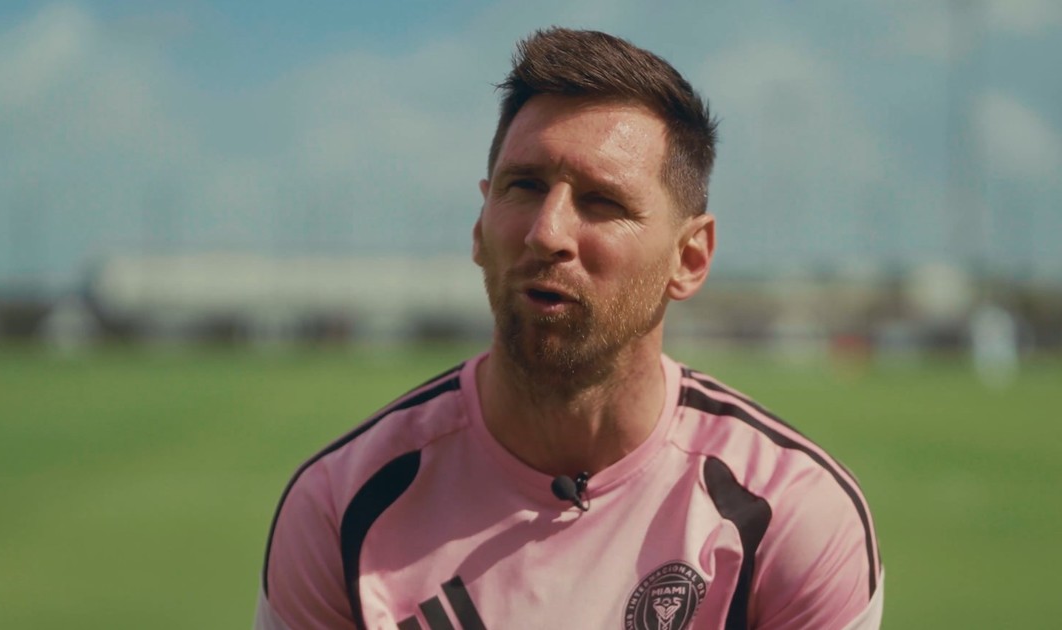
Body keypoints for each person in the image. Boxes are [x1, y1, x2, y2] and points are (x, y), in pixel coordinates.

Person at [255, 27, 882, 630]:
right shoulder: (343, 503)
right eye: (524, 186)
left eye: (602, 201)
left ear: (689, 258)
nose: (546, 232)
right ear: (479, 226)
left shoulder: (788, 514)